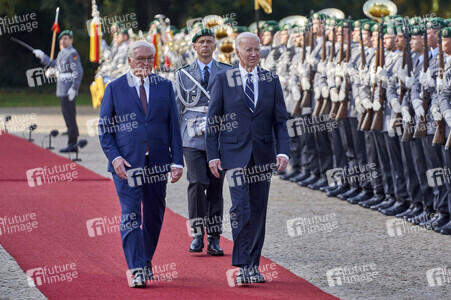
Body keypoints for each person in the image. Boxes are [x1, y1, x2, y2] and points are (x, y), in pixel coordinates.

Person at [206, 32, 290, 285]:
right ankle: (242, 264)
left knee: (258, 210)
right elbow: (213, 122)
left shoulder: (270, 79)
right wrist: (213, 156)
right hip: (234, 155)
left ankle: (253, 264)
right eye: (249, 50)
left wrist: (283, 151)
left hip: (263, 156)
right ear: (237, 53)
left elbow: (280, 121)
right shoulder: (223, 79)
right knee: (240, 208)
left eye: (257, 50)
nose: (254, 54)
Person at [98, 40, 183, 288]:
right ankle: (136, 268)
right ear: (129, 61)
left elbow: (173, 127)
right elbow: (105, 130)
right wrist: (115, 158)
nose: (145, 63)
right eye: (140, 59)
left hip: (158, 162)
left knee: (155, 214)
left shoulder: (164, 86)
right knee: (131, 213)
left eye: (149, 59)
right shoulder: (114, 88)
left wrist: (177, 161)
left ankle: (145, 259)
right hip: (127, 164)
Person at [174, 28, 232, 255]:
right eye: (201, 42)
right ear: (194, 47)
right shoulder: (183, 74)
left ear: (215, 46)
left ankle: (215, 238)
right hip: (192, 137)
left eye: (209, 42)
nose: (206, 46)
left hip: (219, 137)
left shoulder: (227, 71)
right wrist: (174, 143)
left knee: (216, 188)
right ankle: (198, 233)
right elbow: (177, 108)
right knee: (197, 183)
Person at [33, 30, 83, 152]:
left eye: (66, 38)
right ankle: (72, 138)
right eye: (61, 39)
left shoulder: (72, 53)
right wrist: (43, 56)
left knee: (70, 117)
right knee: (68, 116)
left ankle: (72, 144)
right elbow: (55, 64)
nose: (62, 40)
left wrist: (74, 88)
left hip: (68, 90)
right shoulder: (62, 53)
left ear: (71, 40)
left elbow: (78, 72)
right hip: (62, 89)